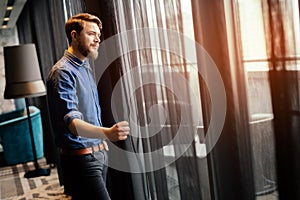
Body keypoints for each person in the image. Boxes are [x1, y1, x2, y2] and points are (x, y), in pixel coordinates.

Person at [46, 13, 129, 200]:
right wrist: (107, 133)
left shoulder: (84, 66)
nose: (97, 39)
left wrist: (102, 143)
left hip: (98, 154)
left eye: (98, 35)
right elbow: (72, 124)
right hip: (82, 159)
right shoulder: (62, 72)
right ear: (74, 35)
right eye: (91, 34)